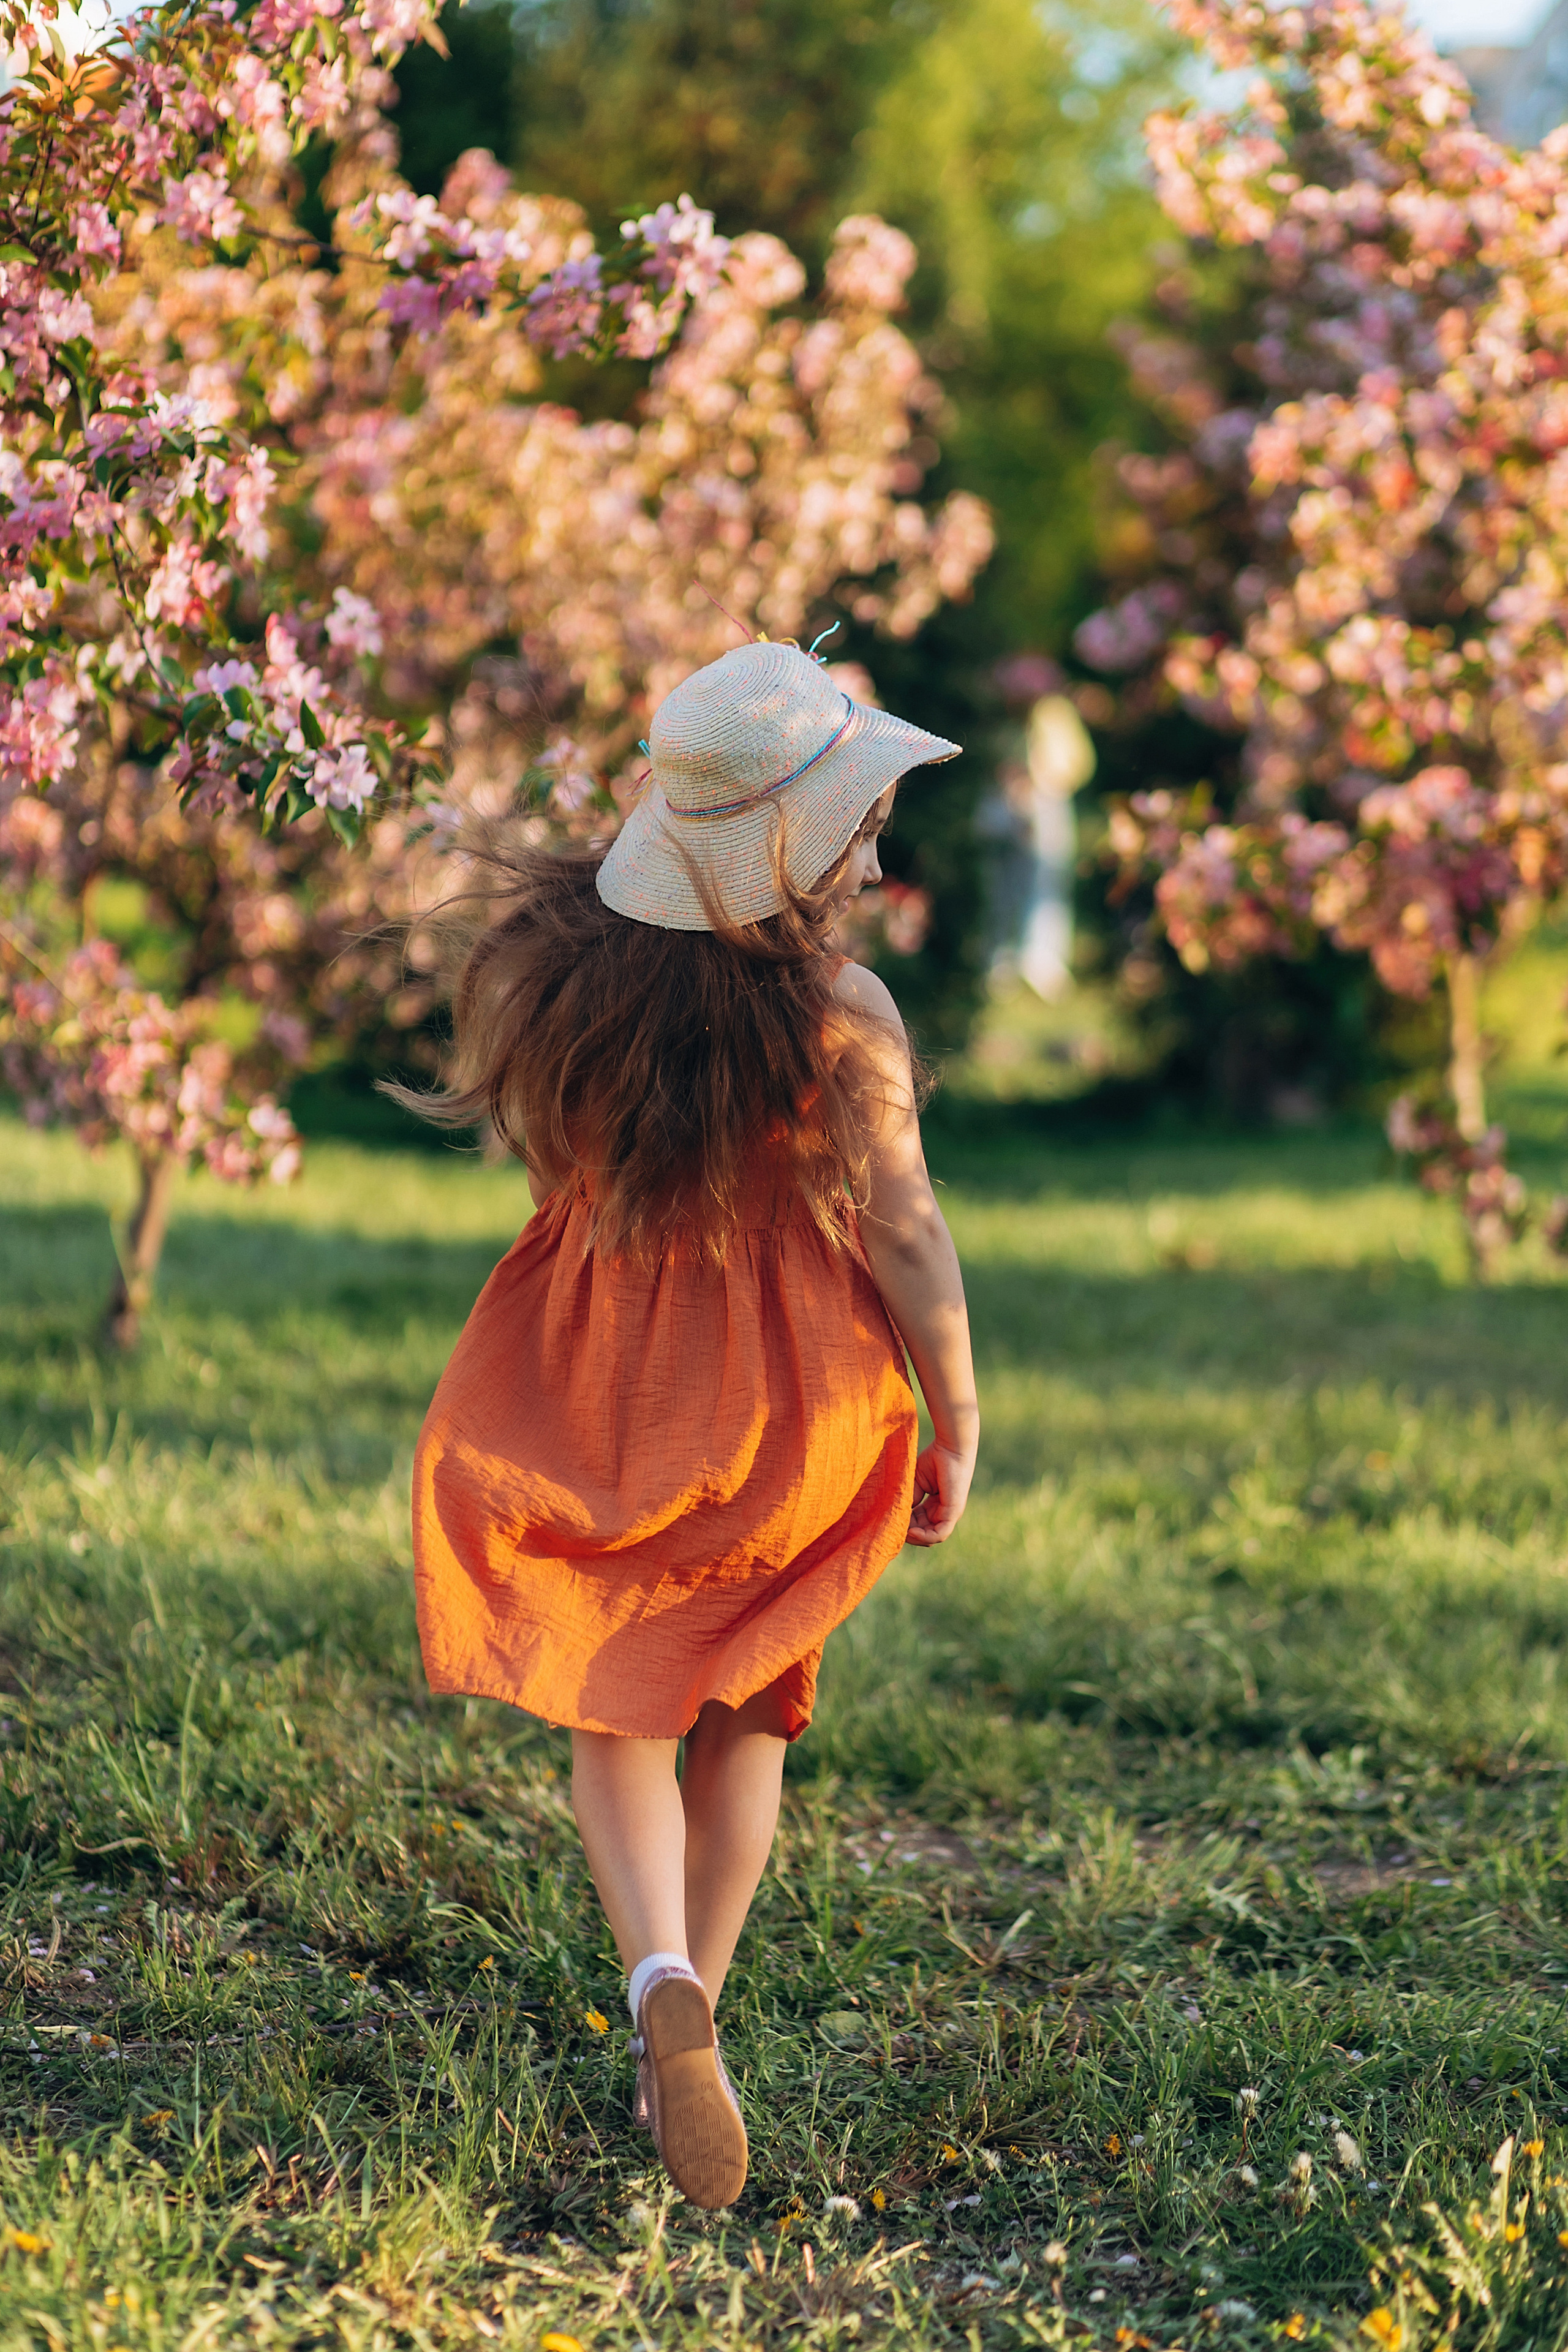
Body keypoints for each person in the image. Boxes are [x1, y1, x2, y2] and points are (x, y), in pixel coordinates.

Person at [401, 639, 980, 2210]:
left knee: (621, 1714)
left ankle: (657, 1973)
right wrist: (955, 1408)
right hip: (794, 1414)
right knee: (746, 1718)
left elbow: (562, 1188)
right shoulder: (843, 1010)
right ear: (791, 851)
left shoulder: (575, 987)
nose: (876, 860)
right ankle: (691, 2023)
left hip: (615, 1391)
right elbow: (906, 1230)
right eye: (858, 831)